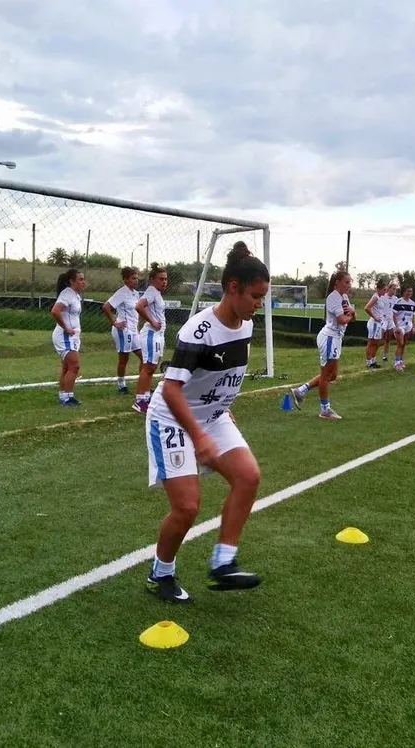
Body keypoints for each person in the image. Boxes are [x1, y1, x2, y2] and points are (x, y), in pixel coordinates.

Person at [145, 242, 270, 604]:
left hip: (213, 417)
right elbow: (172, 389)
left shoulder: (245, 325)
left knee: (248, 476)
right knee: (187, 507)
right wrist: (198, 436)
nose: (258, 305)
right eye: (255, 297)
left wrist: (223, 407)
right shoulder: (198, 331)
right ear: (233, 287)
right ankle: (160, 574)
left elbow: (223, 374)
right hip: (172, 418)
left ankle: (223, 563)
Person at [289, 270, 354, 420]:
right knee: (326, 375)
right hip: (329, 337)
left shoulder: (344, 297)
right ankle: (325, 409)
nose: (349, 285)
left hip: (336, 338)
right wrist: (351, 313)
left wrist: (352, 313)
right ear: (337, 282)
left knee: (333, 375)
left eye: (350, 282)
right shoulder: (333, 297)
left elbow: (351, 317)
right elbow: (342, 320)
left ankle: (301, 391)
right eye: (346, 282)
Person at [133, 262, 169, 414]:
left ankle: (146, 397)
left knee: (152, 367)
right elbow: (139, 306)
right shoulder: (151, 291)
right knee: (148, 367)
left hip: (158, 335)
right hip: (151, 334)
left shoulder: (157, 294)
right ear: (153, 279)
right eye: (161, 279)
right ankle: (140, 400)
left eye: (165, 279)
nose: (164, 282)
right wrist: (152, 321)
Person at [102, 267, 143, 394]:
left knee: (144, 356)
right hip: (123, 331)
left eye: (137, 278)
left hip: (133, 331)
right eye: (133, 278)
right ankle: (121, 385)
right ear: (125, 280)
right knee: (124, 359)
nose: (136, 280)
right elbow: (106, 307)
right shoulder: (121, 293)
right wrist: (114, 322)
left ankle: (143, 383)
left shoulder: (136, 294)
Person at [50, 268, 86, 406]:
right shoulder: (67, 294)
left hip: (72, 336)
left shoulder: (75, 295)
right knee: (74, 366)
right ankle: (67, 397)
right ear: (71, 281)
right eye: (80, 279)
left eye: (83, 279)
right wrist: (66, 328)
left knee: (67, 367)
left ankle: (64, 396)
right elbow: (55, 311)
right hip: (65, 336)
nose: (83, 282)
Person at [363, 279, 389, 369]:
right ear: (378, 289)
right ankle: (369, 362)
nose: (385, 292)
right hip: (374, 323)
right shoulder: (375, 297)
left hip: (378, 323)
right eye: (384, 290)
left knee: (377, 342)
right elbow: (367, 308)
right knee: (372, 343)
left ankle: (373, 360)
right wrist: (374, 317)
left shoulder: (380, 297)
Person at [391, 287, 415, 371]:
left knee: (404, 344)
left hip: (408, 326)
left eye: (411, 291)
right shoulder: (398, 302)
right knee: (400, 344)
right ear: (404, 292)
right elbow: (393, 315)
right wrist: (397, 326)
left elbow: (413, 316)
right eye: (408, 291)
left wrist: (413, 327)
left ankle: (401, 361)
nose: (410, 293)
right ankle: (397, 363)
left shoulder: (412, 303)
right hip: (400, 326)